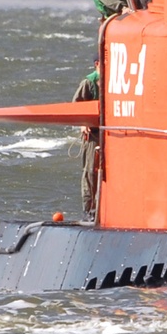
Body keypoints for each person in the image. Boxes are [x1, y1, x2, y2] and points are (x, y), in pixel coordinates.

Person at [72, 58, 100, 221]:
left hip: (107, 132)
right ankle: (88, 209)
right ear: (97, 64)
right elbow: (76, 105)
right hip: (93, 134)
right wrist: (83, 124)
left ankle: (99, 207)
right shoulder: (88, 83)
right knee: (90, 171)